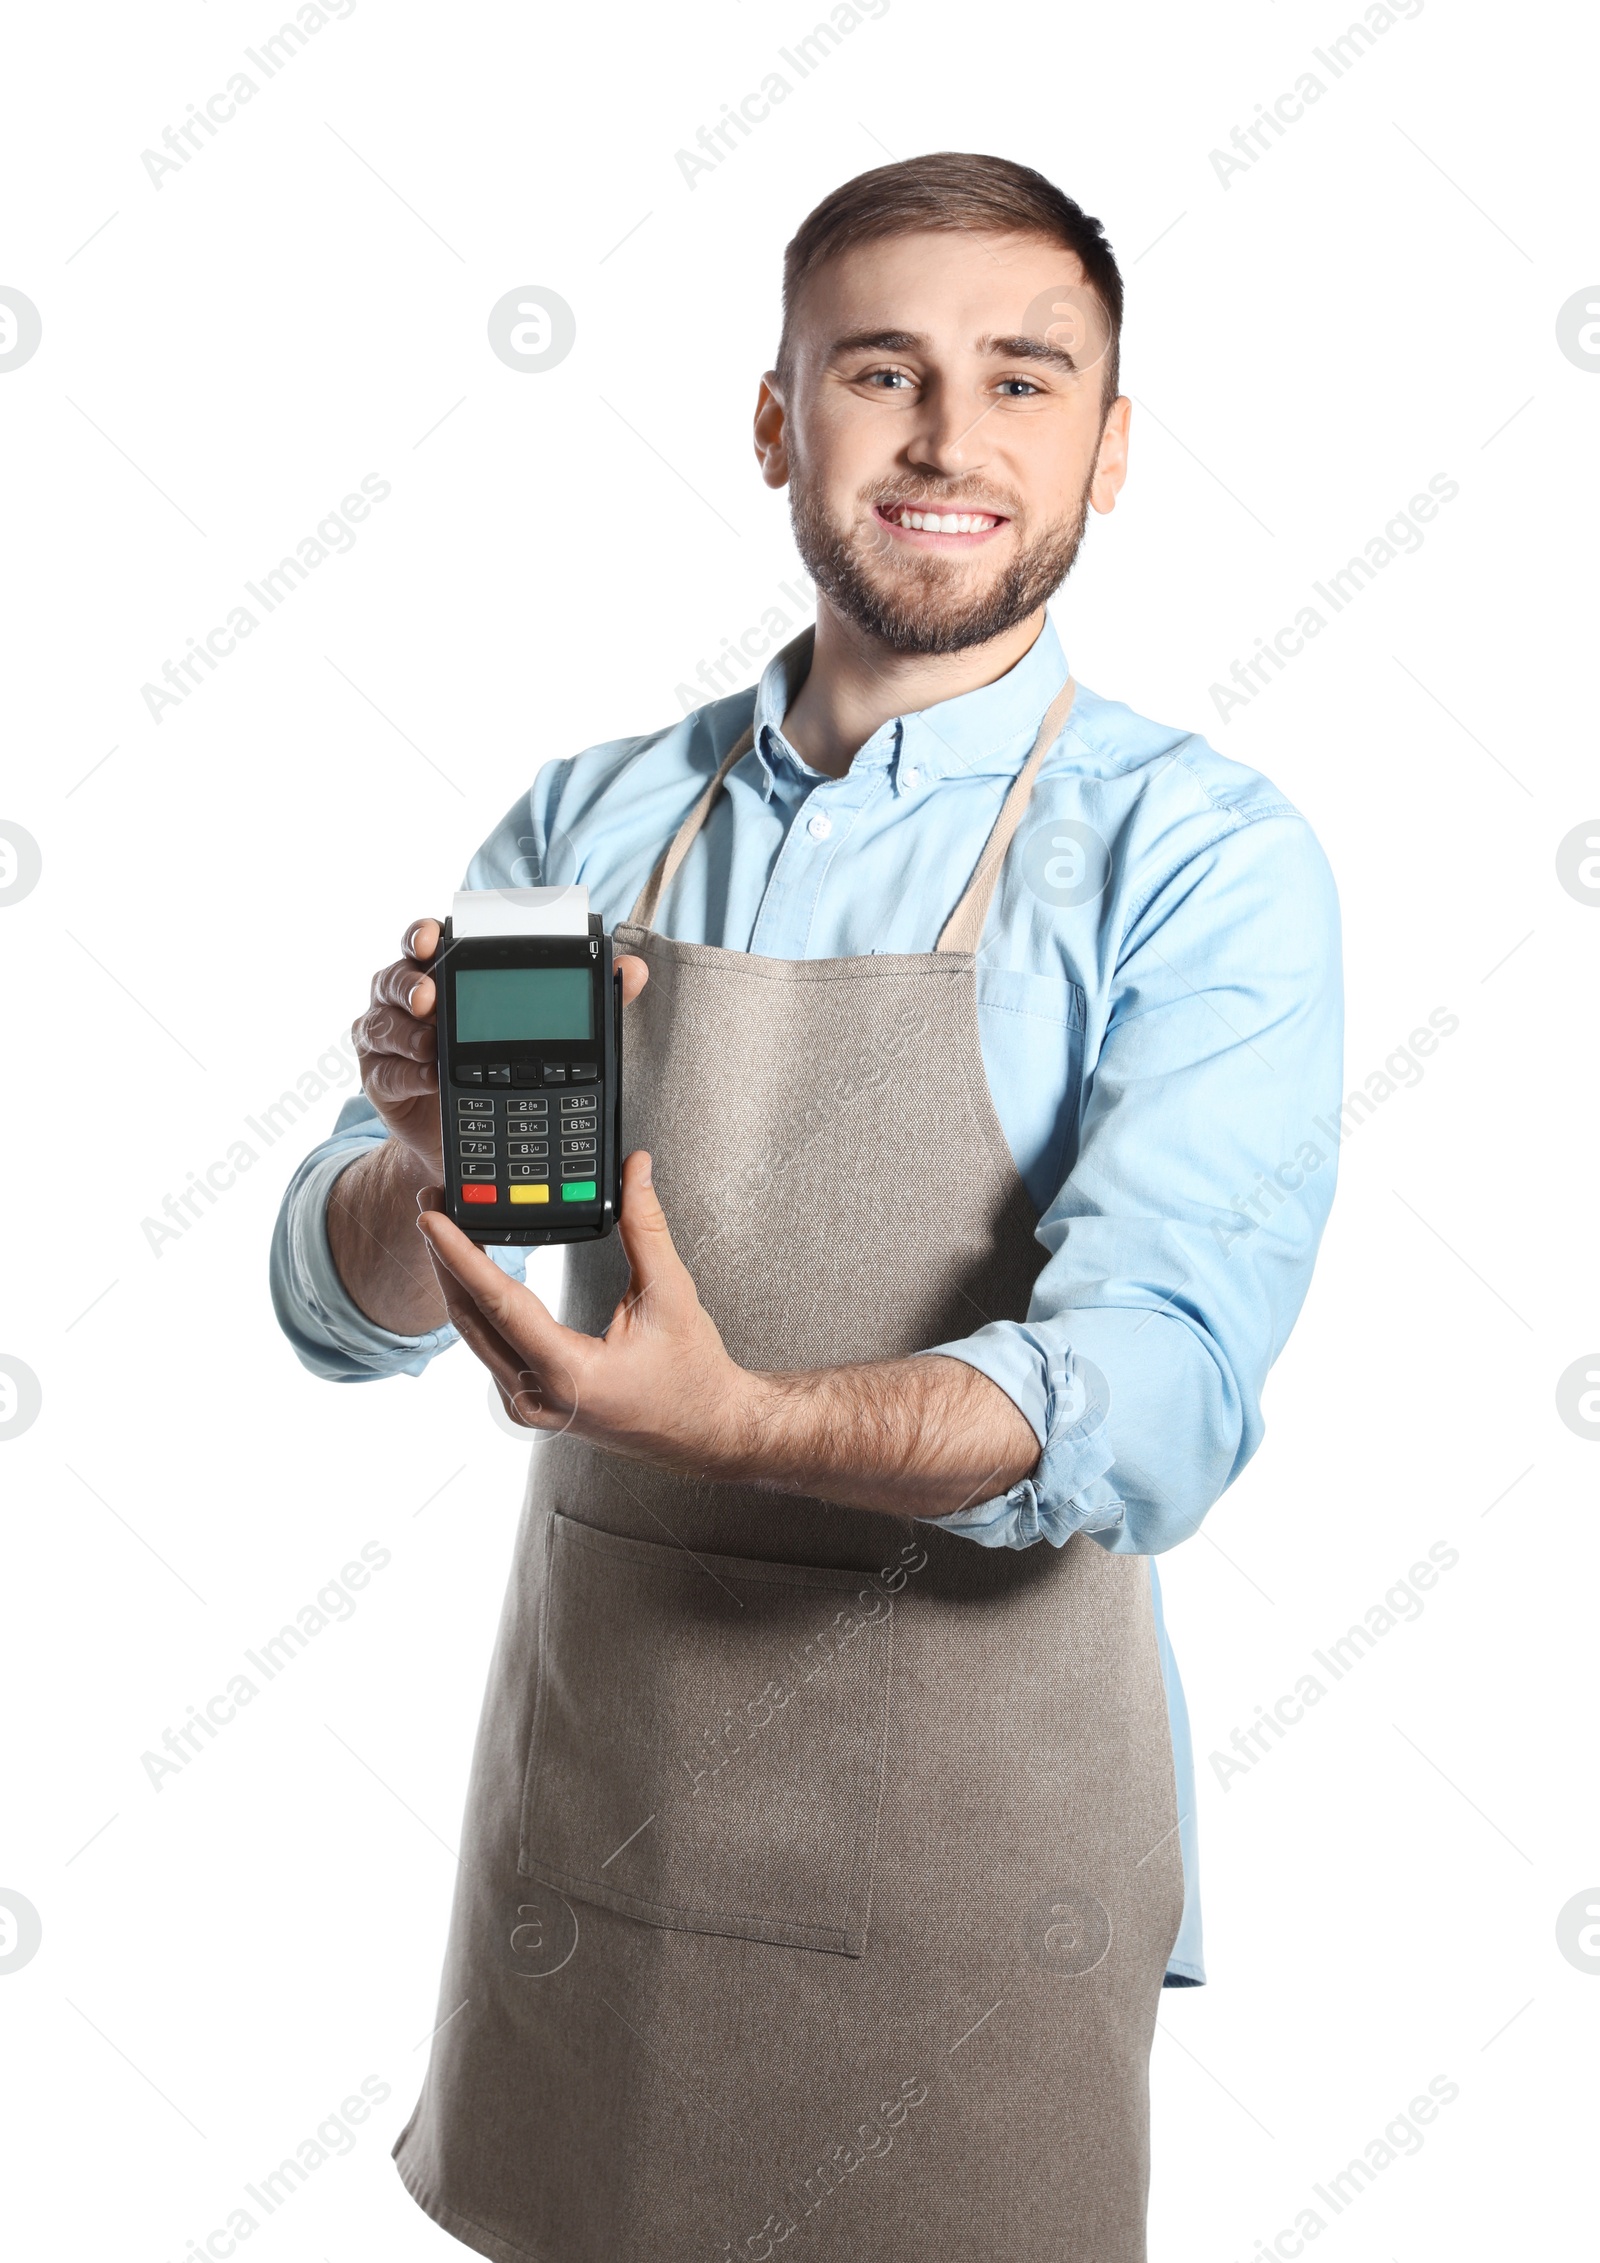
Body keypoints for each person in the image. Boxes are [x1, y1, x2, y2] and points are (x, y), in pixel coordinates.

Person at [271, 151, 1342, 2263]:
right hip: (594, 1846)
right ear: (776, 419)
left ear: (1105, 452)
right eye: (880, 370)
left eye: (1021, 380)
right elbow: (347, 1295)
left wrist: (739, 1412)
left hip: (968, 1867)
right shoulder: (592, 821)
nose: (949, 438)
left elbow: (1161, 1389)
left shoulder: (1196, 856)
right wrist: (429, 1176)